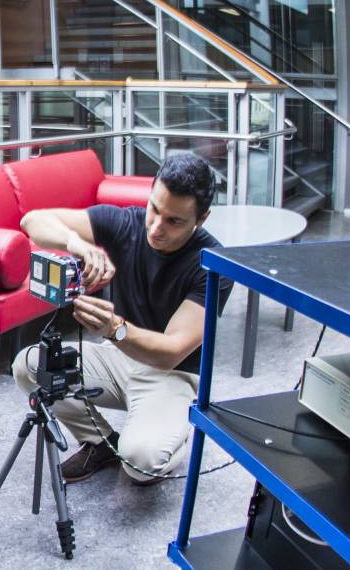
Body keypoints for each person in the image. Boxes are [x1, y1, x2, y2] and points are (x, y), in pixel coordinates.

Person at [12, 150, 232, 485]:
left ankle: (172, 429)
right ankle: (100, 442)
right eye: (154, 209)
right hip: (120, 358)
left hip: (171, 375)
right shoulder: (124, 224)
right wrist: (78, 244)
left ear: (201, 219)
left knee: (141, 464)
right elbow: (32, 221)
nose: (156, 228)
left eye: (174, 221)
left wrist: (115, 329)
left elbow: (172, 350)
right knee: (29, 365)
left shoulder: (213, 264)